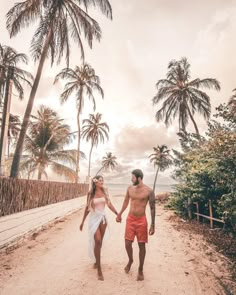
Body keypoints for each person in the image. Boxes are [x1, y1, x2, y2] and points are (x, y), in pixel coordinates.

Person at [116, 169, 155, 281]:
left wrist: (153, 224)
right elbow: (125, 202)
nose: (131, 179)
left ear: (139, 178)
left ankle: (140, 269)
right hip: (130, 219)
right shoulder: (130, 188)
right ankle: (130, 260)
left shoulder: (149, 191)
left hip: (142, 220)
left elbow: (152, 208)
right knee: (127, 243)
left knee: (141, 245)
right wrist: (119, 214)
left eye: (133, 177)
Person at [80, 175, 118, 281]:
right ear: (95, 182)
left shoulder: (105, 191)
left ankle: (97, 261)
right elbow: (87, 208)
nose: (102, 182)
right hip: (94, 218)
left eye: (102, 180)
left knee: (99, 243)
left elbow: (109, 204)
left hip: (103, 219)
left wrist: (117, 213)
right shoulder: (90, 193)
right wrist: (82, 221)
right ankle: (99, 269)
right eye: (100, 180)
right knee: (97, 240)